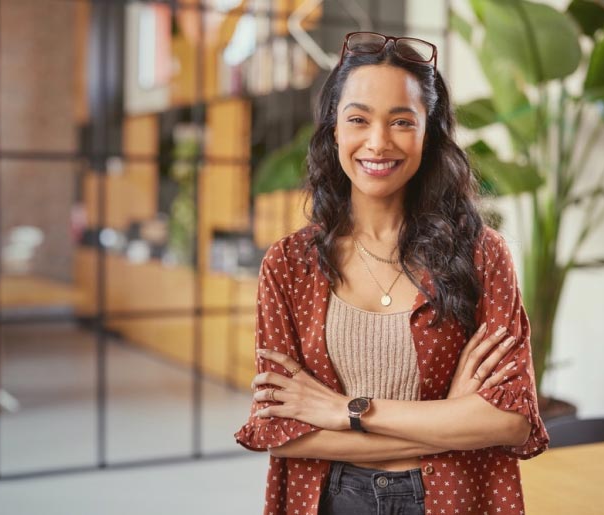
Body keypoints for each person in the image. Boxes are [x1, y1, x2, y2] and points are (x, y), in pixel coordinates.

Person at [235, 31, 549, 515]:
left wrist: (345, 412)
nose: (378, 143)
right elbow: (281, 435)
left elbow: (511, 422)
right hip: (331, 498)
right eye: (358, 119)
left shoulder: (483, 255)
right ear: (334, 130)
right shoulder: (288, 265)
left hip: (453, 499)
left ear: (430, 132)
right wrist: (451, 421)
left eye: (402, 121)